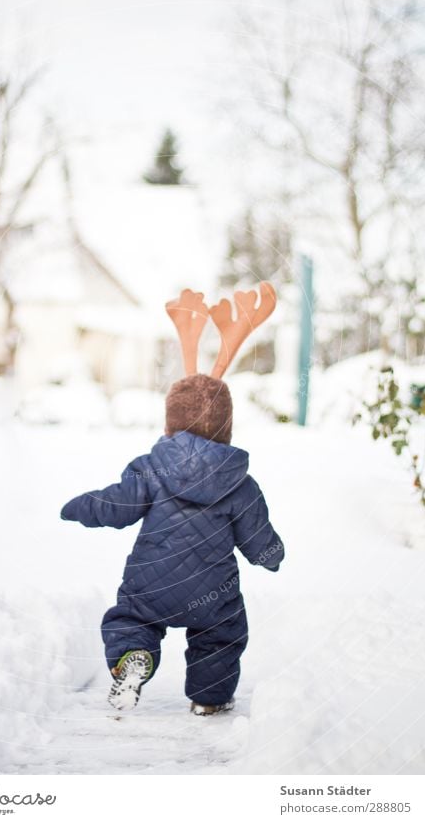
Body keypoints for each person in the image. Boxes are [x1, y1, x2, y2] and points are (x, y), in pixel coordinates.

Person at [60, 286, 284, 715]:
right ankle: (209, 699)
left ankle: (133, 659)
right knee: (222, 632)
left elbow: (117, 505)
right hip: (213, 590)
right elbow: (259, 538)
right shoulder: (240, 483)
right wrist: (273, 555)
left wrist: (80, 506)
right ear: (227, 425)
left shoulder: (152, 466)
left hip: (152, 582)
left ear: (171, 420)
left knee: (132, 620)